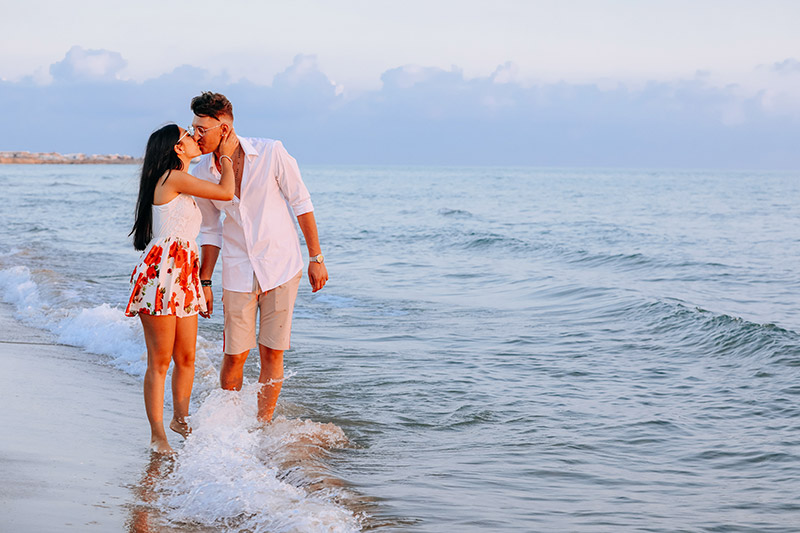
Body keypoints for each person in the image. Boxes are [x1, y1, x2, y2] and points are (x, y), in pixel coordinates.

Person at [190, 91, 329, 422]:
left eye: (201, 129)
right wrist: (205, 281)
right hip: (237, 269)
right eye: (194, 128)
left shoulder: (271, 152)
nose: (196, 135)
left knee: (272, 351)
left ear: (223, 129)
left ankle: (263, 425)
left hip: (281, 264)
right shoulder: (200, 172)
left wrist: (316, 258)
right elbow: (210, 231)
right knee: (235, 354)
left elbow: (301, 203)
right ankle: (229, 426)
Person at [125, 123, 237, 454]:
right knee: (159, 361)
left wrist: (202, 281)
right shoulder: (173, 177)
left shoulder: (180, 183)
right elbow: (226, 192)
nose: (194, 137)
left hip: (183, 274)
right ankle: (158, 435)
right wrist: (227, 157)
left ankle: (181, 420)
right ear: (177, 148)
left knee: (186, 356)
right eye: (188, 134)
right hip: (162, 275)